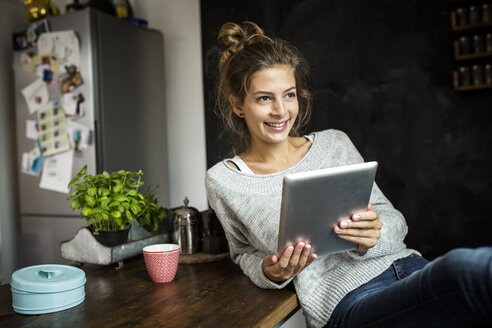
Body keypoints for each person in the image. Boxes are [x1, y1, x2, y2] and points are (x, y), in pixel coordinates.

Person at [205, 21, 492, 328]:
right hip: (350, 301)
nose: (281, 110)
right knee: (465, 271)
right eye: (264, 98)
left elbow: (394, 221)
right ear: (238, 105)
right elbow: (242, 253)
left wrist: (373, 235)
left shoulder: (335, 144)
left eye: (289, 95)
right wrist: (269, 272)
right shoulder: (224, 180)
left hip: (409, 268)